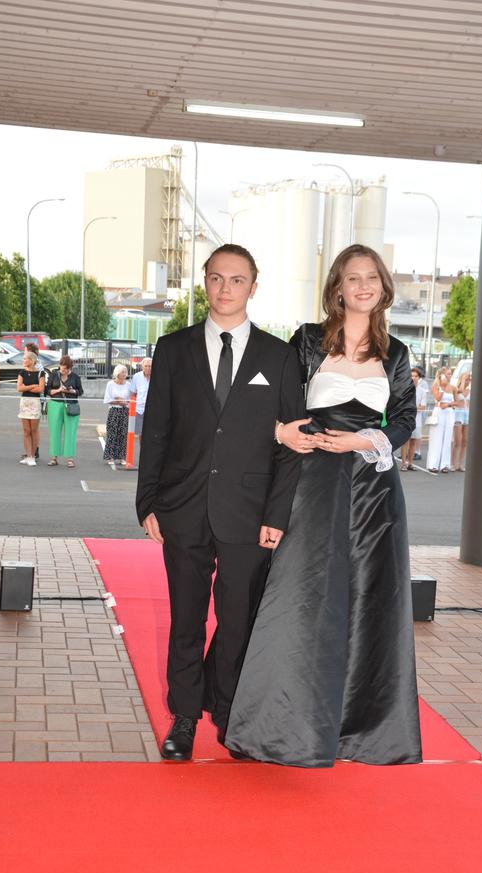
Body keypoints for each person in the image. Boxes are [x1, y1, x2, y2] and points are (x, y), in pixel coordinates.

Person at [225, 244, 422, 768]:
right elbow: (282, 406)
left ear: (383, 286)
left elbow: (404, 419)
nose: (362, 286)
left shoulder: (397, 352)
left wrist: (363, 442)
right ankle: (276, 727)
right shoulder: (310, 340)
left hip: (373, 490)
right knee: (300, 597)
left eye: (371, 278)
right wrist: (288, 436)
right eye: (352, 278)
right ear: (337, 286)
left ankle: (360, 731)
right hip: (313, 482)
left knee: (367, 601)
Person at [136, 243, 304, 762]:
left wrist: (276, 516)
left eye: (237, 279)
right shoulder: (173, 348)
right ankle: (184, 718)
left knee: (238, 622)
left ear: (254, 286)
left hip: (249, 516)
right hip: (182, 509)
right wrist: (148, 503)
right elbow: (157, 431)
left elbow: (291, 444)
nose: (225, 288)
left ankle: (231, 716)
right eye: (216, 278)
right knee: (185, 619)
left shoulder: (279, 357)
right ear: (204, 283)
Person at [46, 355, 83, 468]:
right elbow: (47, 390)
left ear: (70, 368)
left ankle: (70, 459)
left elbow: (80, 391)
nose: (63, 371)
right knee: (54, 431)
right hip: (55, 404)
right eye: (62, 368)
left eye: (66, 369)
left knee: (70, 432)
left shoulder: (75, 377)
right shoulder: (54, 375)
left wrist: (72, 391)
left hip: (71, 405)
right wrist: (58, 389)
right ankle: (53, 457)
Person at [16, 350, 45, 466]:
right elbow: (19, 388)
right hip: (24, 402)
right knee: (26, 431)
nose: (23, 361)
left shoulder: (40, 373)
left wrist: (26, 387)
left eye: (25, 359)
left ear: (31, 360)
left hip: (35, 402)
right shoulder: (21, 372)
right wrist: (33, 386)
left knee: (33, 431)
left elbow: (41, 389)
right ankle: (28, 456)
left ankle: (33, 456)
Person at [426, 369, 457, 473]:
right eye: (448, 374)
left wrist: (448, 404)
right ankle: (433, 464)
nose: (450, 375)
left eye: (450, 374)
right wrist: (442, 388)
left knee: (447, 439)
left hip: (449, 413)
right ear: (442, 375)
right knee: (437, 438)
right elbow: (438, 398)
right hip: (439, 413)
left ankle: (445, 465)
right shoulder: (436, 386)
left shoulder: (453, 387)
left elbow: (458, 403)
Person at [103, 364, 131, 464]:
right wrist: (119, 401)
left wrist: (122, 401)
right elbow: (107, 399)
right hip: (114, 410)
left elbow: (130, 400)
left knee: (123, 434)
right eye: (122, 372)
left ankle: (122, 457)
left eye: (125, 372)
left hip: (125, 411)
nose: (124, 374)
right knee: (112, 433)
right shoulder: (110, 384)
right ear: (117, 373)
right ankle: (110, 456)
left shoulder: (128, 385)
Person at [400, 365, 427, 470]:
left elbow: (423, 407)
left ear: (419, 378)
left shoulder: (422, 391)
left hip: (417, 421)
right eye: (411, 376)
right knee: (405, 442)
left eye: (416, 376)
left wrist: (413, 408)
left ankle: (410, 463)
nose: (413, 378)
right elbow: (403, 405)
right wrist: (414, 408)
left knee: (413, 442)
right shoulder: (405, 390)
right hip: (406, 420)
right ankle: (403, 463)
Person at [451, 371, 471, 472]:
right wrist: (463, 379)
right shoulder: (457, 389)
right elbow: (461, 390)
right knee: (457, 440)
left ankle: (461, 463)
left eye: (469, 379)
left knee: (465, 441)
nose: (468, 381)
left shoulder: (469, 390)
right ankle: (453, 463)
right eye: (466, 379)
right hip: (458, 414)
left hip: (467, 414)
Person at [129, 357, 152, 442]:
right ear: (142, 366)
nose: (148, 368)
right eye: (146, 366)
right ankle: (143, 453)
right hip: (139, 410)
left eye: (150, 366)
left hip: (152, 410)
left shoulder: (158, 376)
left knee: (151, 433)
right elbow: (133, 393)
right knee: (141, 433)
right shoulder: (137, 376)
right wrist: (133, 409)